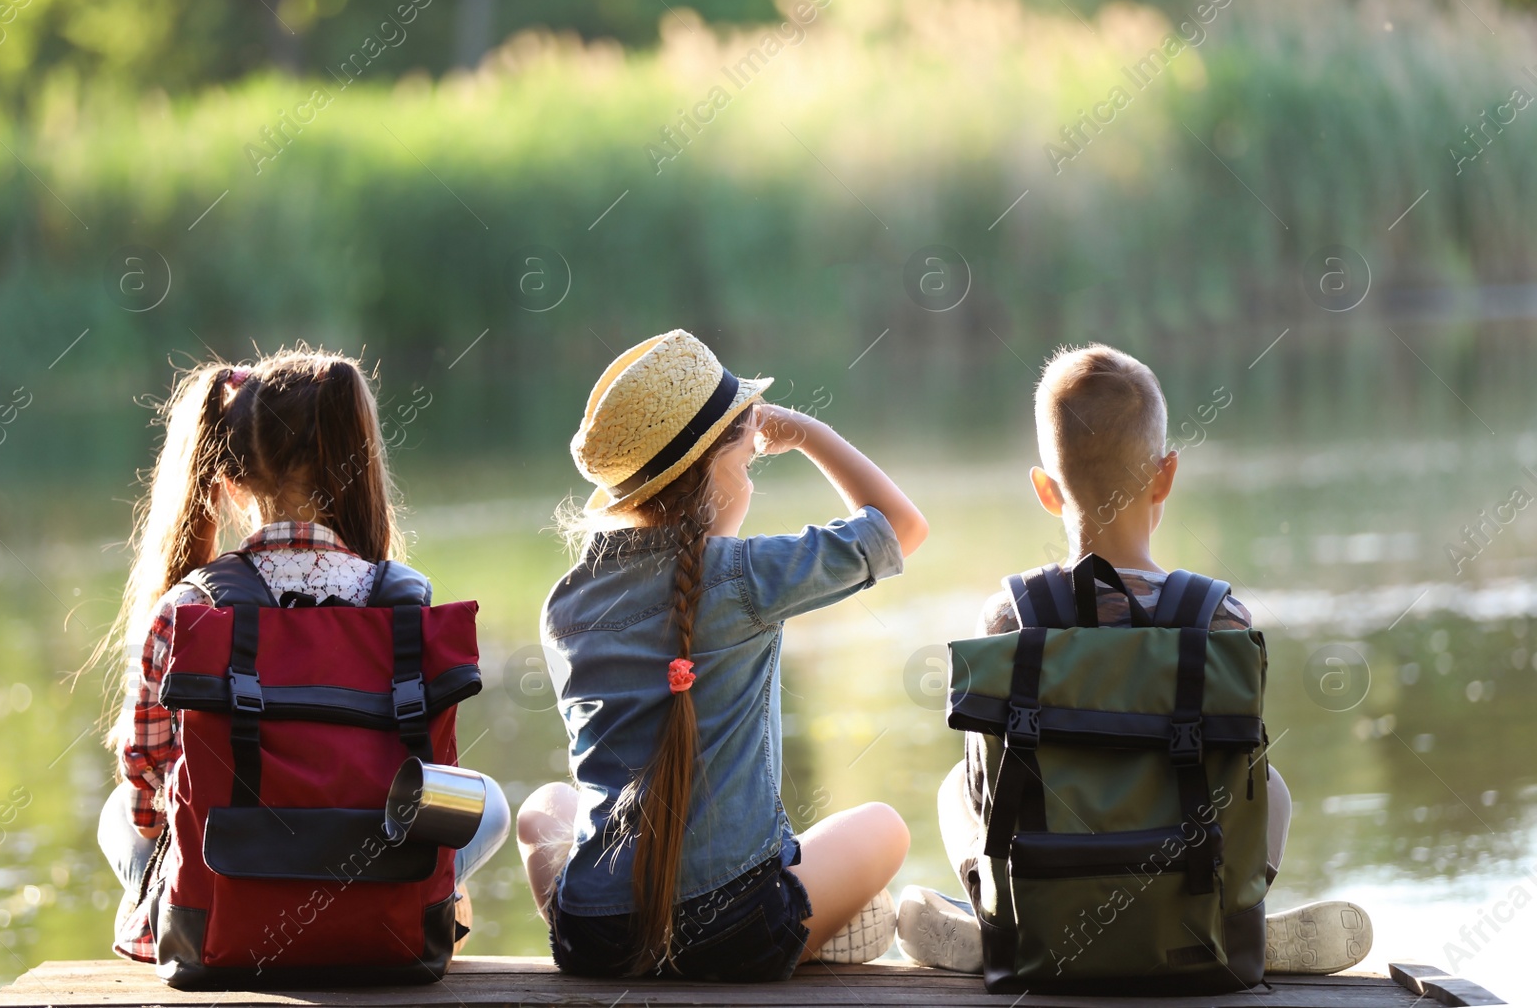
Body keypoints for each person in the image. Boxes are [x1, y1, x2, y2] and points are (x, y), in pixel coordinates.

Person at [895, 343, 1374, 977]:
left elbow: (988, 780)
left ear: (1044, 489)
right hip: (1183, 896)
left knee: (957, 786)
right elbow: (1239, 780)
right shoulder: (1220, 619)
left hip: (1046, 903)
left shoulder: (1010, 620)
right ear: (1166, 474)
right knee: (1268, 782)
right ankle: (1232, 923)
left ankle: (998, 927)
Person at [516, 329, 927, 981]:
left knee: (543, 808)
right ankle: (815, 933)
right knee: (884, 827)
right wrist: (810, 433)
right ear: (709, 475)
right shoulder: (746, 575)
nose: (750, 485)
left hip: (592, 937)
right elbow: (901, 526)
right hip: (737, 931)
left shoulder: (565, 604)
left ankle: (637, 940)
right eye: (745, 466)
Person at [93, 349, 509, 962]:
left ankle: (159, 920)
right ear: (350, 464)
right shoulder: (407, 604)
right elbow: (429, 768)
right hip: (382, 881)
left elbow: (147, 790)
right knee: (489, 801)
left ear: (231, 482)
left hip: (224, 906)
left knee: (116, 817)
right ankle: (417, 908)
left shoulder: (186, 610)